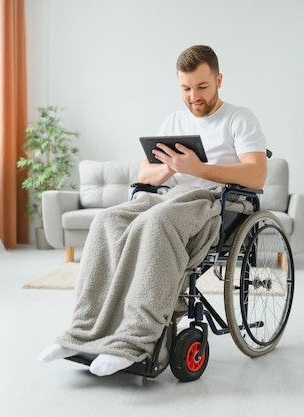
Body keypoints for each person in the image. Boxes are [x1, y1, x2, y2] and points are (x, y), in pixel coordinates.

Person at [38, 45, 267, 376]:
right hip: (169, 196)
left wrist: (198, 168)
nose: (194, 97)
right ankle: (82, 332)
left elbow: (257, 174)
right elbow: (144, 175)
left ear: (218, 80)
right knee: (107, 220)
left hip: (218, 201)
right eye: (186, 89)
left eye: (202, 87)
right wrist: (169, 169)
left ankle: (133, 342)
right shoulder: (174, 120)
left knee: (157, 222)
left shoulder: (239, 118)